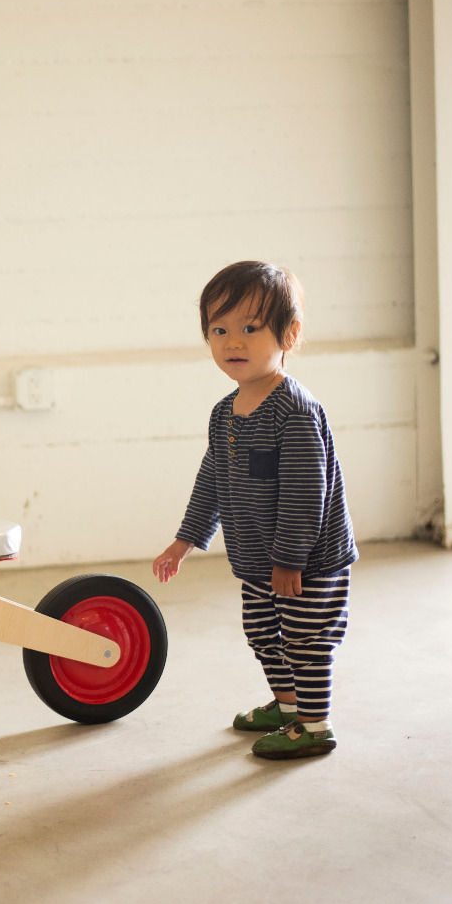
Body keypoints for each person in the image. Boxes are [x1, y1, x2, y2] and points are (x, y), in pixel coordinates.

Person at [151, 261, 357, 760]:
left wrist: (289, 559)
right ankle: (288, 710)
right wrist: (186, 540)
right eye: (219, 330)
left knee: (305, 639)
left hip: (306, 562)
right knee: (264, 634)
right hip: (258, 560)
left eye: (249, 328)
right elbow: (212, 481)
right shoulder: (226, 413)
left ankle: (314, 725)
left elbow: (308, 494)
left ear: (289, 333)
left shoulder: (295, 411)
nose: (232, 343)